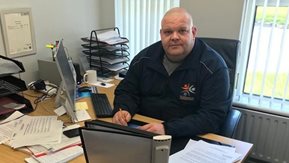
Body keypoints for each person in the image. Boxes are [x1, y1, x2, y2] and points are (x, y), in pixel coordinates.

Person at [112, 7, 231, 138]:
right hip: (144, 129)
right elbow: (127, 90)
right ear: (161, 34)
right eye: (168, 32)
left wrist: (167, 129)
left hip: (188, 135)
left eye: (182, 31)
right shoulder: (144, 59)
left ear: (193, 32)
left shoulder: (213, 67)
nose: (174, 37)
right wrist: (123, 109)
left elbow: (212, 116)